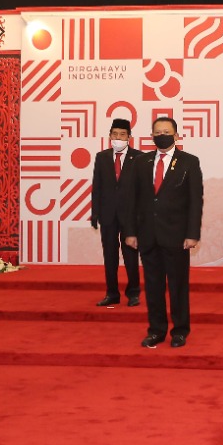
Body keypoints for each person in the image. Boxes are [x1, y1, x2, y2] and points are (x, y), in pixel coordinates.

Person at [121, 116, 204, 349]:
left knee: (178, 287)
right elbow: (132, 200)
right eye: (157, 132)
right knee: (153, 287)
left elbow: (195, 200)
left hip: (176, 236)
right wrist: (130, 232)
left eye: (166, 132)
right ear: (151, 136)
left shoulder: (189, 162)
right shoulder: (141, 162)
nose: (162, 136)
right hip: (148, 235)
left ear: (176, 135)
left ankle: (180, 331)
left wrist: (192, 233)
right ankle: (156, 330)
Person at [91, 118, 143, 307]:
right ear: (109, 136)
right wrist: (95, 213)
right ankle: (112, 293)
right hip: (108, 215)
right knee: (110, 256)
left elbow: (143, 190)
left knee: (131, 256)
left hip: (130, 217)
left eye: (122, 134)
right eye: (115, 134)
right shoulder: (102, 157)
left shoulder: (139, 157)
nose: (118, 138)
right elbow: (97, 186)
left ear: (129, 137)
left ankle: (133, 293)